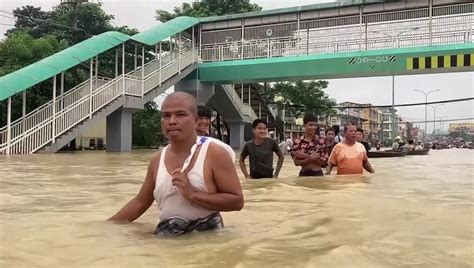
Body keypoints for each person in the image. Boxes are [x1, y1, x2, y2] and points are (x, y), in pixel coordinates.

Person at [108, 92, 244, 236]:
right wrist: (103, 228)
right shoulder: (156, 160)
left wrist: (193, 194)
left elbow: (237, 201)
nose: (172, 121)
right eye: (166, 115)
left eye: (180, 114)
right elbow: (140, 202)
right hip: (167, 238)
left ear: (195, 120)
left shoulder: (214, 153)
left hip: (207, 239)